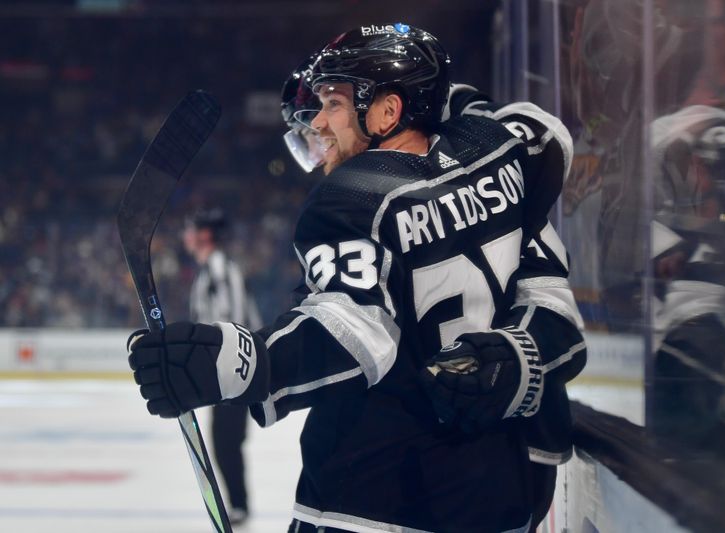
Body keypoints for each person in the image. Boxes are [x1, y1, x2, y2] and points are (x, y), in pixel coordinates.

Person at [129, 24, 586, 532]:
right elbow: (546, 138)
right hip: (502, 486)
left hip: (376, 496)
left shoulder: (350, 196)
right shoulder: (501, 151)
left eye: (332, 105)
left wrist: (245, 361)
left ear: (389, 110)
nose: (320, 128)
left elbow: (354, 328)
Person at [181, 207, 263, 526]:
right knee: (226, 442)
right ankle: (238, 503)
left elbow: (230, 323)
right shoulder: (213, 270)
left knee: (226, 442)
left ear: (204, 236)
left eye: (191, 230)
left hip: (233, 372)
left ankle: (239, 505)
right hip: (231, 372)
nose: (185, 237)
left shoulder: (219, 270)